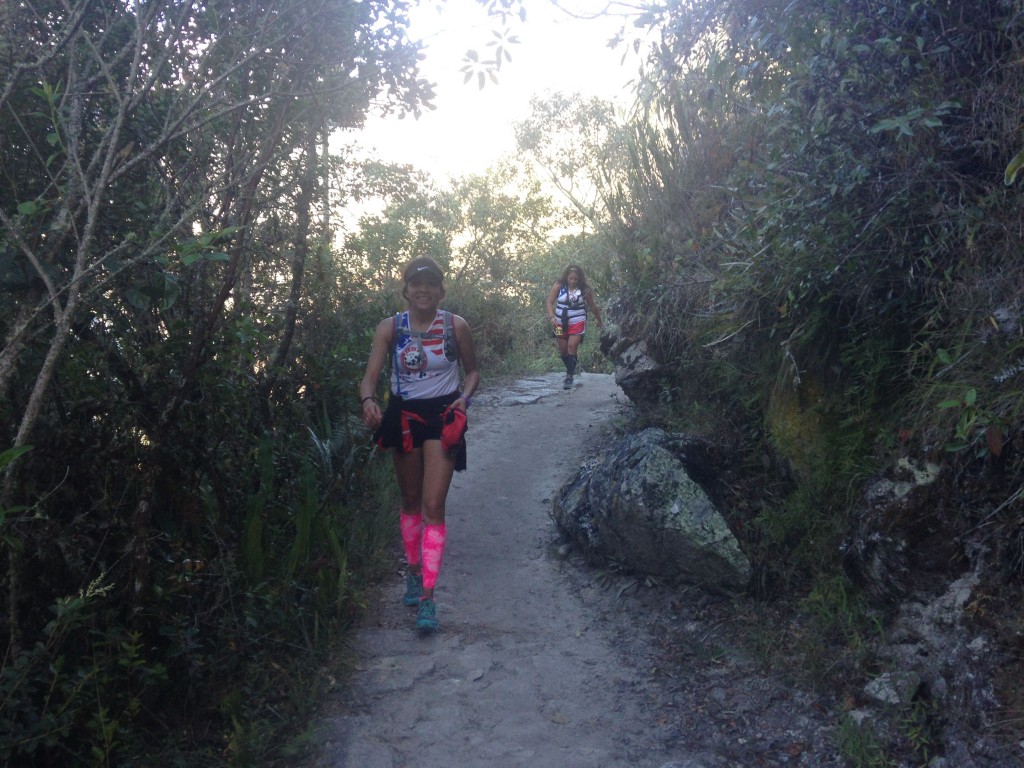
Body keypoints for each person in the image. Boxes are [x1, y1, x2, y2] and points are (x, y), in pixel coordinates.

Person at [359, 257, 480, 632]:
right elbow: (369, 379)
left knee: (433, 504)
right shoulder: (390, 328)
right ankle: (412, 572)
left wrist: (464, 398)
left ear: (441, 291)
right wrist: (368, 401)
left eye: (430, 284)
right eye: (416, 283)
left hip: (442, 417)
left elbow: (473, 371)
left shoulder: (455, 326)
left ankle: (428, 597)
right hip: (404, 417)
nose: (423, 290)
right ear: (406, 290)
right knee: (410, 501)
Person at [545, 264, 603, 389]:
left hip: (578, 321)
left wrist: (599, 320)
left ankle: (569, 376)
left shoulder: (584, 289)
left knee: (572, 346)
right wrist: (551, 317)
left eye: (575, 279)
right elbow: (549, 302)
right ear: (566, 277)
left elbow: (592, 306)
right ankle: (571, 368)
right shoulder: (558, 286)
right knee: (563, 349)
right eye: (570, 278)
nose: (572, 281)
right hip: (559, 323)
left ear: (579, 279)